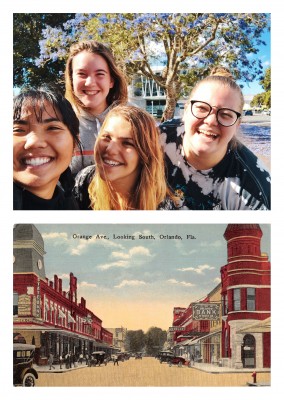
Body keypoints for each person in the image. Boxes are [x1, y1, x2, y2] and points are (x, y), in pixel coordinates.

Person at [159, 66, 271, 210]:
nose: (211, 121)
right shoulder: (156, 139)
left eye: (225, 114)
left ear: (237, 124)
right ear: (186, 111)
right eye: (202, 108)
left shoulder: (255, 192)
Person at [73, 105, 184, 210]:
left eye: (127, 143)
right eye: (107, 137)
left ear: (145, 154)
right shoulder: (84, 182)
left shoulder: (164, 210)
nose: (110, 149)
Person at [65, 40, 128, 175]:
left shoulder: (132, 123)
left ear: (111, 81)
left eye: (100, 74)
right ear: (71, 79)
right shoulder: (60, 124)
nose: (90, 82)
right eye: (82, 74)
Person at [13, 86, 81, 210]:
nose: (34, 142)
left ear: (74, 144)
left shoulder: (70, 205)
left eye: (52, 128)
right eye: (18, 130)